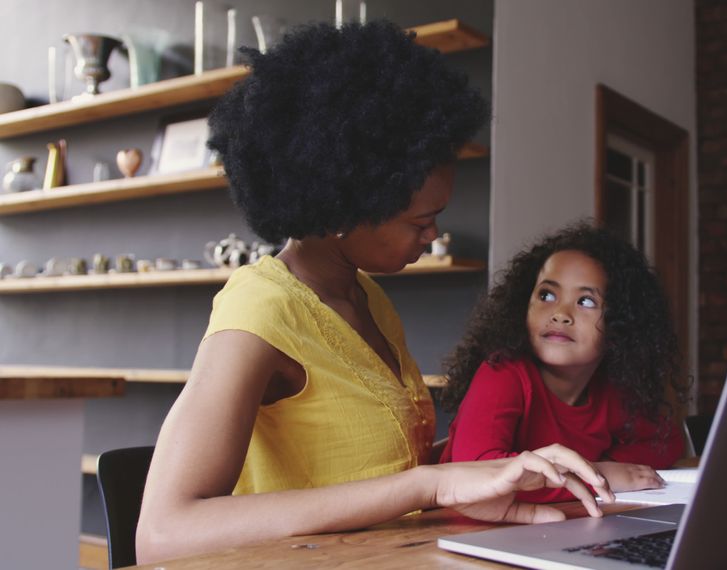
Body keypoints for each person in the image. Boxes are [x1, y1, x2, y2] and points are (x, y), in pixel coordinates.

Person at [136, 21, 612, 564]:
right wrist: (431, 485)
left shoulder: (366, 298)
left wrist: (496, 469)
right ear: (344, 207)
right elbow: (162, 533)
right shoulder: (260, 310)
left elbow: (366, 472)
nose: (432, 235)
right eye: (421, 220)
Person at [439, 223, 688, 502]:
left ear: (620, 327)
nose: (560, 314)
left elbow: (665, 442)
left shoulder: (611, 389)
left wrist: (611, 465)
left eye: (586, 301)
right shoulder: (503, 373)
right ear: (523, 304)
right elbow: (477, 474)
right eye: (546, 295)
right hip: (461, 536)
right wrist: (595, 475)